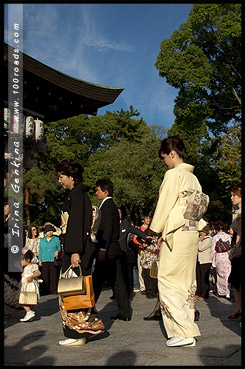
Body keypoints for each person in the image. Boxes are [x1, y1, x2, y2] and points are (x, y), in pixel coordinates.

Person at [149, 135, 202, 347]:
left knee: (167, 279)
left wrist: (155, 230)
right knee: (187, 282)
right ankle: (186, 327)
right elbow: (198, 207)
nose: (165, 162)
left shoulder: (173, 175)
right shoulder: (193, 178)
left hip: (177, 232)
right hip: (191, 232)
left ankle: (183, 330)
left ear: (172, 153)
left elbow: (165, 203)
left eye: (165, 157)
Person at [56, 159, 104, 346]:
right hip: (75, 247)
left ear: (72, 177)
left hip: (75, 249)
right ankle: (82, 329)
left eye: (62, 177)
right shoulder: (77, 195)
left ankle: (78, 333)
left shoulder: (77, 195)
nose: (60, 181)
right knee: (75, 288)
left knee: (74, 289)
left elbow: (77, 225)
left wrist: (75, 251)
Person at [92, 178, 131, 321]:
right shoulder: (112, 206)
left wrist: (102, 248)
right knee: (117, 281)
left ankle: (89, 309)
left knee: (97, 281)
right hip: (114, 249)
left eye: (98, 190)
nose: (96, 193)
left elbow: (107, 229)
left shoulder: (107, 206)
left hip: (107, 250)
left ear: (105, 191)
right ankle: (125, 312)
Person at [118, 208, 147, 296]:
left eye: (119, 213)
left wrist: (146, 237)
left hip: (123, 252)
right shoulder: (108, 224)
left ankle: (127, 291)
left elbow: (136, 231)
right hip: (111, 252)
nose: (117, 215)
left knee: (125, 273)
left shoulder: (125, 224)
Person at [228, 183, 242, 319]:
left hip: (239, 247)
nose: (231, 197)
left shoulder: (240, 211)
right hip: (237, 246)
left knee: (237, 279)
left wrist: (237, 248)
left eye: (234, 195)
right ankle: (238, 307)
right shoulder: (236, 210)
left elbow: (240, 232)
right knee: (236, 280)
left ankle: (238, 307)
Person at [210, 221, 232, 300]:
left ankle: (221, 292)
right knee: (228, 274)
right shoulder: (228, 236)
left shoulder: (215, 237)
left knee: (219, 275)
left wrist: (213, 262)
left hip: (219, 256)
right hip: (227, 255)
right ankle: (228, 293)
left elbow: (213, 250)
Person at [19, 250, 42, 322]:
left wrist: (32, 277)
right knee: (27, 300)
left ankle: (29, 312)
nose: (21, 262)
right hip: (26, 286)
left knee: (23, 300)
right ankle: (29, 313)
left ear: (27, 260)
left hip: (30, 286)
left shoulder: (33, 266)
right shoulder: (25, 268)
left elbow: (38, 273)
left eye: (22, 260)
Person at [38, 224, 61, 295]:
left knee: (53, 275)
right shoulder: (42, 240)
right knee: (45, 275)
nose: (50, 232)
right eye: (48, 231)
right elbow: (40, 250)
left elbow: (59, 248)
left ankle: (53, 289)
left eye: (51, 231)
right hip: (44, 259)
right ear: (45, 233)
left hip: (53, 259)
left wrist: (57, 251)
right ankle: (45, 290)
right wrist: (40, 259)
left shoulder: (56, 239)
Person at [133, 215, 151, 295]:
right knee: (141, 269)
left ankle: (151, 286)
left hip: (151, 251)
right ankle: (143, 287)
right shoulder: (140, 229)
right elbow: (135, 239)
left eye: (149, 218)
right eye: (146, 218)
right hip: (142, 250)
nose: (148, 220)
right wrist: (142, 244)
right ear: (143, 220)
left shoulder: (152, 228)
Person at [196, 225, 212, 301]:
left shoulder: (208, 239)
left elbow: (201, 248)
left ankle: (204, 294)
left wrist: (199, 241)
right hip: (199, 260)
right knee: (199, 277)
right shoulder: (199, 239)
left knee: (204, 278)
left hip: (206, 261)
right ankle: (199, 292)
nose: (201, 233)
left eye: (202, 232)